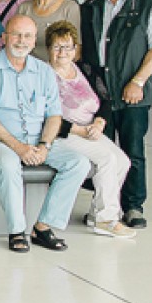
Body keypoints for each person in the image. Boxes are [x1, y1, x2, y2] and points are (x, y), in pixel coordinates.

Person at [0, 15, 90, 252]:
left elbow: (54, 116)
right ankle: (17, 231)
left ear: (34, 42)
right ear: (4, 38)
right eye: (16, 35)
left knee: (79, 163)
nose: (22, 41)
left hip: (38, 140)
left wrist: (44, 145)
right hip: (1, 140)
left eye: (28, 36)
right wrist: (18, 147)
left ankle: (42, 227)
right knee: (9, 165)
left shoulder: (43, 71)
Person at [79, 0, 152, 229]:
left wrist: (138, 81)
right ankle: (104, 206)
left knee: (132, 151)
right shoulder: (90, 6)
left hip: (133, 94)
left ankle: (132, 206)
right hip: (100, 96)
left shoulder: (148, 5)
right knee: (101, 153)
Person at [45, 21, 135, 238]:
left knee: (123, 161)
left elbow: (105, 100)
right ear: (49, 49)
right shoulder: (43, 75)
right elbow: (44, 115)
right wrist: (78, 130)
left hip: (91, 130)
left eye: (67, 47)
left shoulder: (85, 69)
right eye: (57, 47)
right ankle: (107, 219)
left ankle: (96, 213)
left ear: (75, 49)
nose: (62, 52)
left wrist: (99, 123)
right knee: (106, 159)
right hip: (63, 134)